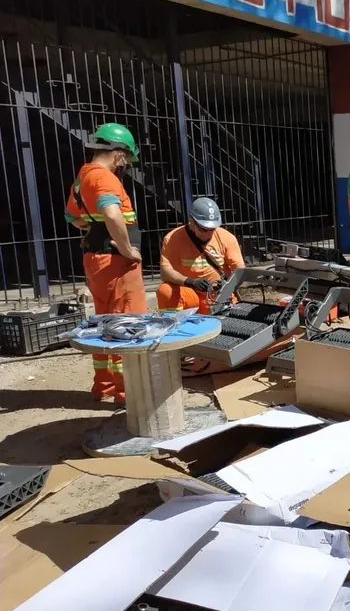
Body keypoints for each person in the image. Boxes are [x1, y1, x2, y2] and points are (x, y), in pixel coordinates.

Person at [65, 123, 146, 403]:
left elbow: (73, 218)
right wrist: (126, 249)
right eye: (127, 159)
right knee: (129, 323)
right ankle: (128, 391)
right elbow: (113, 214)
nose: (125, 165)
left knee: (104, 322)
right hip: (117, 264)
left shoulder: (81, 179)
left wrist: (93, 229)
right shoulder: (104, 177)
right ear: (118, 154)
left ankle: (105, 385)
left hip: (95, 260)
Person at [157, 197, 244, 314]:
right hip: (189, 292)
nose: (209, 233)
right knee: (166, 291)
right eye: (204, 229)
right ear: (191, 222)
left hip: (216, 295)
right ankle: (176, 325)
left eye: (212, 229)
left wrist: (226, 286)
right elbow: (165, 272)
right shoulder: (173, 238)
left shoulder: (227, 238)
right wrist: (190, 281)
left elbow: (240, 270)